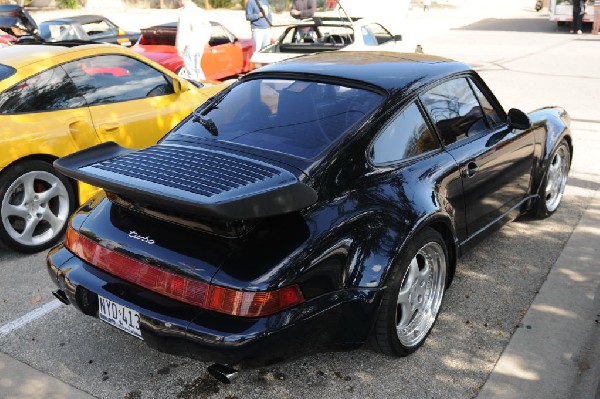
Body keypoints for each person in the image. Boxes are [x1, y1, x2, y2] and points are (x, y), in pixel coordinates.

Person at [176, 0, 211, 81]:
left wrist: (179, 48)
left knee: (190, 72)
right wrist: (204, 41)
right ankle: (203, 86)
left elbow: (182, 32)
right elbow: (208, 28)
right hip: (199, 45)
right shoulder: (200, 11)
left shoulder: (184, 13)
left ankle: (196, 89)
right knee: (197, 69)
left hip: (190, 46)